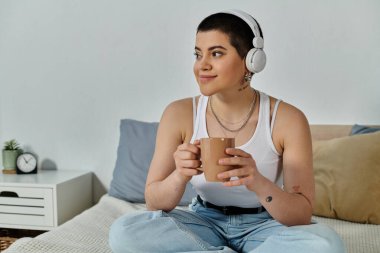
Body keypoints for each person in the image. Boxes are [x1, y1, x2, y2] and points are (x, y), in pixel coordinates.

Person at [109, 10, 346, 253]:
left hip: (265, 225)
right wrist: (180, 175)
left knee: (326, 245)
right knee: (124, 231)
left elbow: (301, 214)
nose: (202, 65)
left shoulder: (287, 119)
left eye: (216, 53)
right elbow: (153, 202)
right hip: (203, 221)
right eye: (198, 54)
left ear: (251, 60)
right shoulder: (178, 114)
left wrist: (258, 182)